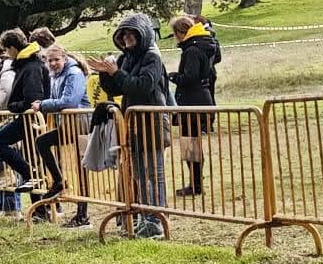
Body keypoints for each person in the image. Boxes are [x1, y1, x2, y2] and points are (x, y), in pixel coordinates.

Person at [92, 13, 172, 238]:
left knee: (153, 174)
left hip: (152, 122)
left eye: (130, 33)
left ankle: (156, 220)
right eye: (123, 34)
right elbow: (117, 90)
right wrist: (105, 73)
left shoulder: (152, 57)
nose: (126, 38)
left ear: (141, 34)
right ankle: (145, 217)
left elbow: (141, 86)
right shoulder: (126, 58)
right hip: (133, 123)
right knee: (139, 174)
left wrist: (115, 72)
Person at [0, 28, 48, 214]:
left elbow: (32, 98)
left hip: (30, 118)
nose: (6, 55)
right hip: (25, 117)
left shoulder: (31, 66)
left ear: (13, 48)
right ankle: (36, 199)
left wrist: (13, 106)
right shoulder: (26, 64)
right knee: (0, 144)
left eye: (7, 50)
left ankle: (36, 190)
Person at [30, 44, 89, 219]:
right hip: (68, 125)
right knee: (42, 141)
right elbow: (57, 99)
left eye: (56, 60)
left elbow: (70, 101)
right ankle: (58, 181)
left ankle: (82, 214)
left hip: (81, 125)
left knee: (82, 169)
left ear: (64, 58)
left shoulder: (74, 73)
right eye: (50, 61)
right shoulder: (55, 75)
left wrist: (43, 105)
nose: (53, 63)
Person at [169, 13, 220, 198]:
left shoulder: (192, 50)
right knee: (192, 145)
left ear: (180, 32)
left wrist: (173, 77)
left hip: (192, 102)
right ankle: (195, 183)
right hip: (200, 99)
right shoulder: (202, 45)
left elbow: (190, 77)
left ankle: (196, 184)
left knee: (190, 145)